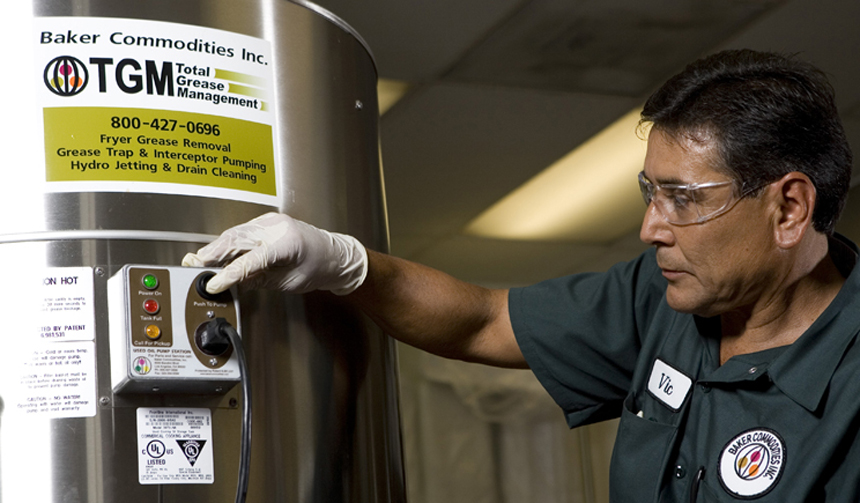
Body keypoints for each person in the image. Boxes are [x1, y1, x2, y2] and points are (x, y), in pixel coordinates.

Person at [183, 49, 860, 502]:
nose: (652, 228)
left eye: (683, 198)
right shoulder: (662, 299)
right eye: (649, 193)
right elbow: (483, 321)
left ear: (788, 209)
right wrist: (345, 264)